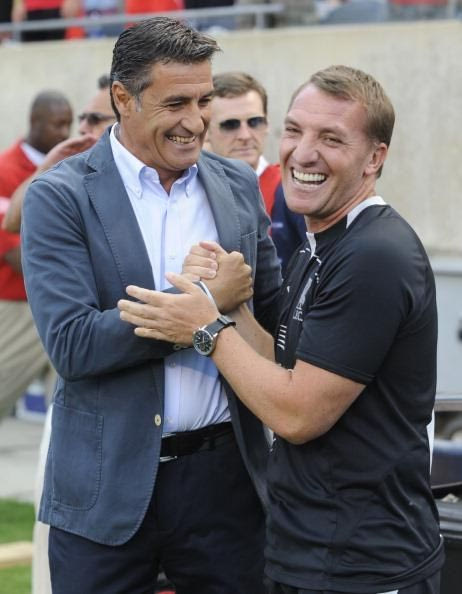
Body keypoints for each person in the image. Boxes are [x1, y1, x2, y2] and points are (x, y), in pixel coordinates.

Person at [118, 65, 445, 593]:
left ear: (375, 158)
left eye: (331, 139)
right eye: (294, 131)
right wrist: (230, 307)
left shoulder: (374, 256)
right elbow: (288, 365)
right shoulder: (321, 244)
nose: (303, 153)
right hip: (307, 551)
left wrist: (206, 326)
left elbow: (298, 414)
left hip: (365, 564)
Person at [21, 17, 281, 594]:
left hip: (226, 486)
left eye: (204, 100)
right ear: (123, 98)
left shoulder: (236, 186)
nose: (195, 121)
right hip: (104, 488)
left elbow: (274, 317)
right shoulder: (60, 196)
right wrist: (205, 306)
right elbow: (74, 345)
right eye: (175, 103)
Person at [0, 90, 72, 420]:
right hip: (18, 307)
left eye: (68, 124)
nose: (64, 133)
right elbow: (13, 251)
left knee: (71, 410)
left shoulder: (69, 166)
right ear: (34, 122)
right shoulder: (5, 170)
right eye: (57, 124)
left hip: (64, 306)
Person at [205, 71, 306, 274]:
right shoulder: (189, 189)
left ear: (267, 124)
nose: (245, 135)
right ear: (206, 130)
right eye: (230, 125)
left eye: (254, 122)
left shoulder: (292, 188)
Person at [3, 74, 115, 234]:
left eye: (95, 119)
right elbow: (11, 224)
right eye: (82, 119)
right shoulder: (75, 169)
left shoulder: (147, 174)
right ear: (34, 121)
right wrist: (46, 168)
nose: (81, 129)